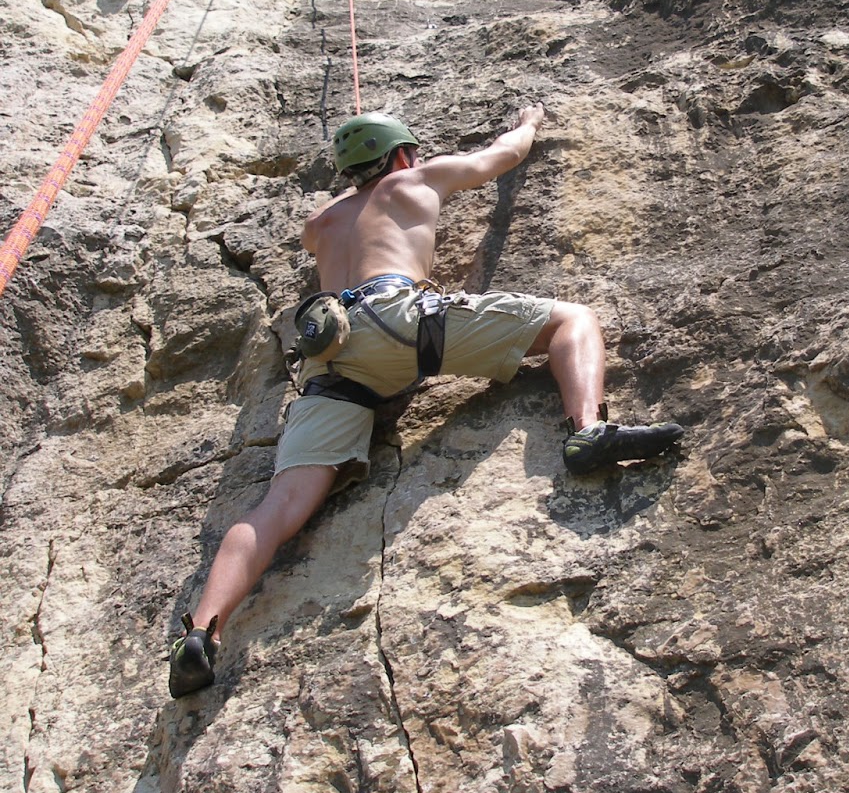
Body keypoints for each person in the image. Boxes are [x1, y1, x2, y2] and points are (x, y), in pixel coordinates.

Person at [168, 104, 683, 697]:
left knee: (277, 508)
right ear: (401, 155)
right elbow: (502, 158)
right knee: (573, 321)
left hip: (331, 353)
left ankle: (202, 632)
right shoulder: (417, 178)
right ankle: (588, 429)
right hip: (399, 320)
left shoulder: (320, 224)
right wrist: (528, 123)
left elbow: (329, 236)